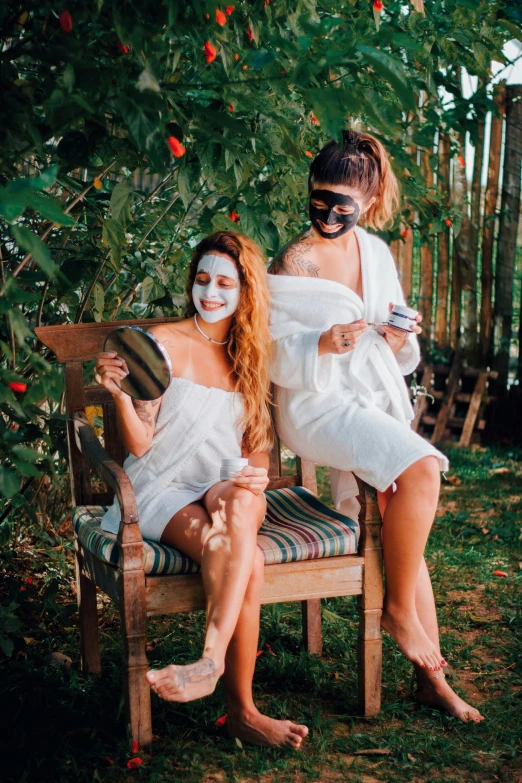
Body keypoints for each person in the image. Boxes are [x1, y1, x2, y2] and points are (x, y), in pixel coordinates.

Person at [268, 130, 483, 723]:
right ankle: (397, 613)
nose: (329, 214)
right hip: (315, 406)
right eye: (319, 200)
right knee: (422, 468)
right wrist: (318, 342)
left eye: (343, 204)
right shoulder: (295, 260)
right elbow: (267, 349)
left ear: (367, 202)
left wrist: (396, 338)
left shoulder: (379, 254)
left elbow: (395, 347)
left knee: (398, 526)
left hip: (367, 401)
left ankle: (430, 679)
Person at [94, 231, 309, 748]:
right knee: (249, 560)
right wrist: (120, 396)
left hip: (221, 483)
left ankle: (211, 664)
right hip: (161, 486)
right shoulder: (162, 344)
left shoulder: (251, 357)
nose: (210, 292)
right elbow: (141, 446)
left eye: (224, 283)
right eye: (202, 279)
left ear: (246, 291)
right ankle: (242, 710)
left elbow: (255, 450)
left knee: (243, 499)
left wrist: (256, 475)